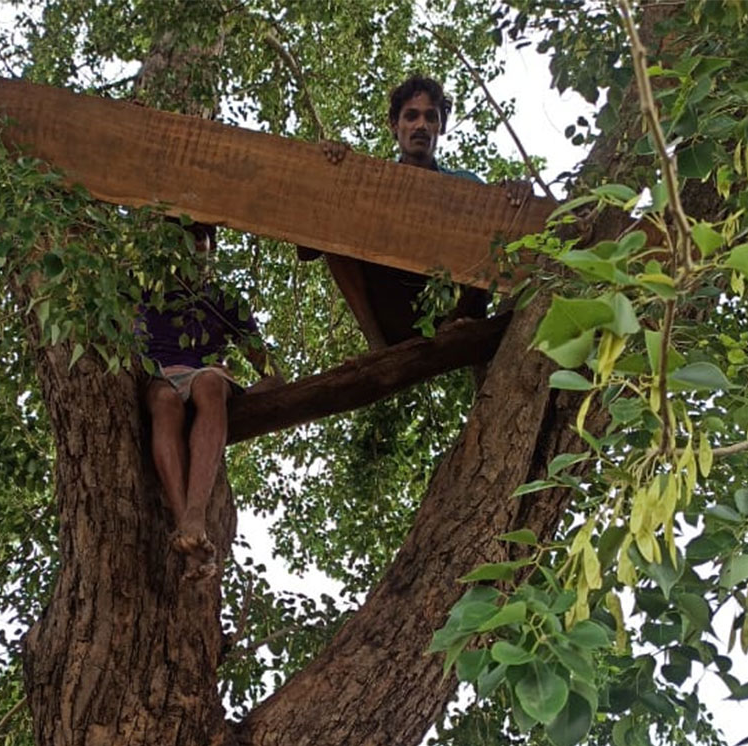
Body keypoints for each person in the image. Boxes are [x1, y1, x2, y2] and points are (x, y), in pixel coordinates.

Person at [305, 75, 498, 349]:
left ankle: (450, 326)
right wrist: (331, 166)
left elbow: (504, 234)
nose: (421, 125)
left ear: (440, 127)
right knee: (339, 208)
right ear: (395, 125)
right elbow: (308, 246)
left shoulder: (465, 184)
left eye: (431, 117)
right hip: (391, 310)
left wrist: (516, 191)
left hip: (451, 310)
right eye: (411, 116)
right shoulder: (371, 185)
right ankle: (375, 342)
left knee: (490, 230)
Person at [137, 221, 282, 577]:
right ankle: (187, 529)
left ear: (211, 251)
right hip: (162, 376)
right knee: (165, 402)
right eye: (184, 243)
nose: (193, 251)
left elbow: (272, 373)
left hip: (207, 376)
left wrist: (246, 397)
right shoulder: (144, 293)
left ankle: (195, 513)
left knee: (208, 382)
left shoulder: (223, 301)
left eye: (200, 242)